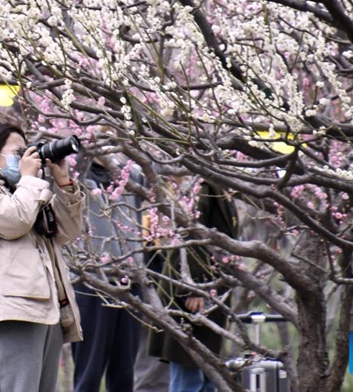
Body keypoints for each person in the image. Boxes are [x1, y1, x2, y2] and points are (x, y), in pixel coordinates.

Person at [0, 122, 84, 392]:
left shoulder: (25, 191)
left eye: (26, 152)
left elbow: (67, 230)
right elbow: (15, 221)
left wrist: (63, 183)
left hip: (47, 306)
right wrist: (30, 180)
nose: (24, 159)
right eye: (16, 152)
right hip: (11, 307)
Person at [72, 156, 169, 392]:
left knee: (125, 373)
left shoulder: (129, 175)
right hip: (92, 283)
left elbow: (157, 167)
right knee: (89, 372)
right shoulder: (77, 176)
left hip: (130, 283)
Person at [146, 181, 238, 392]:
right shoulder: (204, 188)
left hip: (213, 293)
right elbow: (188, 235)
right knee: (190, 374)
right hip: (191, 292)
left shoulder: (223, 190)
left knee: (208, 377)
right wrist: (193, 288)